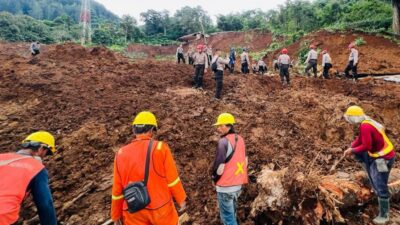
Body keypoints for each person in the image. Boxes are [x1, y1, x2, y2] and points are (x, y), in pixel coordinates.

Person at [111, 111, 187, 225]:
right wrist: (181, 200)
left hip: (134, 210)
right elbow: (172, 180)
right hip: (160, 208)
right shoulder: (160, 148)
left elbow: (117, 189)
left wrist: (116, 214)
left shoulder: (120, 154)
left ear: (134, 130)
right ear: (152, 130)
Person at [343, 106, 396, 225]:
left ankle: (384, 215)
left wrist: (353, 150)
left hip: (383, 159)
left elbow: (366, 146)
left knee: (380, 184)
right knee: (359, 154)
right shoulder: (366, 122)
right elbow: (360, 139)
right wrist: (352, 147)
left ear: (353, 118)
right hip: (381, 155)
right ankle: (374, 180)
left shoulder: (365, 126)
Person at [0, 131, 57, 225]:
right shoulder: (36, 168)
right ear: (41, 148)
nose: (44, 157)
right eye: (46, 153)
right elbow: (46, 204)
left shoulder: (1, 157)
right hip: (4, 217)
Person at [212, 113, 248, 225]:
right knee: (232, 214)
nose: (218, 128)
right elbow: (245, 161)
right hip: (238, 185)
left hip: (225, 186)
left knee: (228, 219)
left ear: (228, 126)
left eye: (220, 125)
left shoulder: (223, 142)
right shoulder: (240, 139)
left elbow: (219, 168)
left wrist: (214, 179)